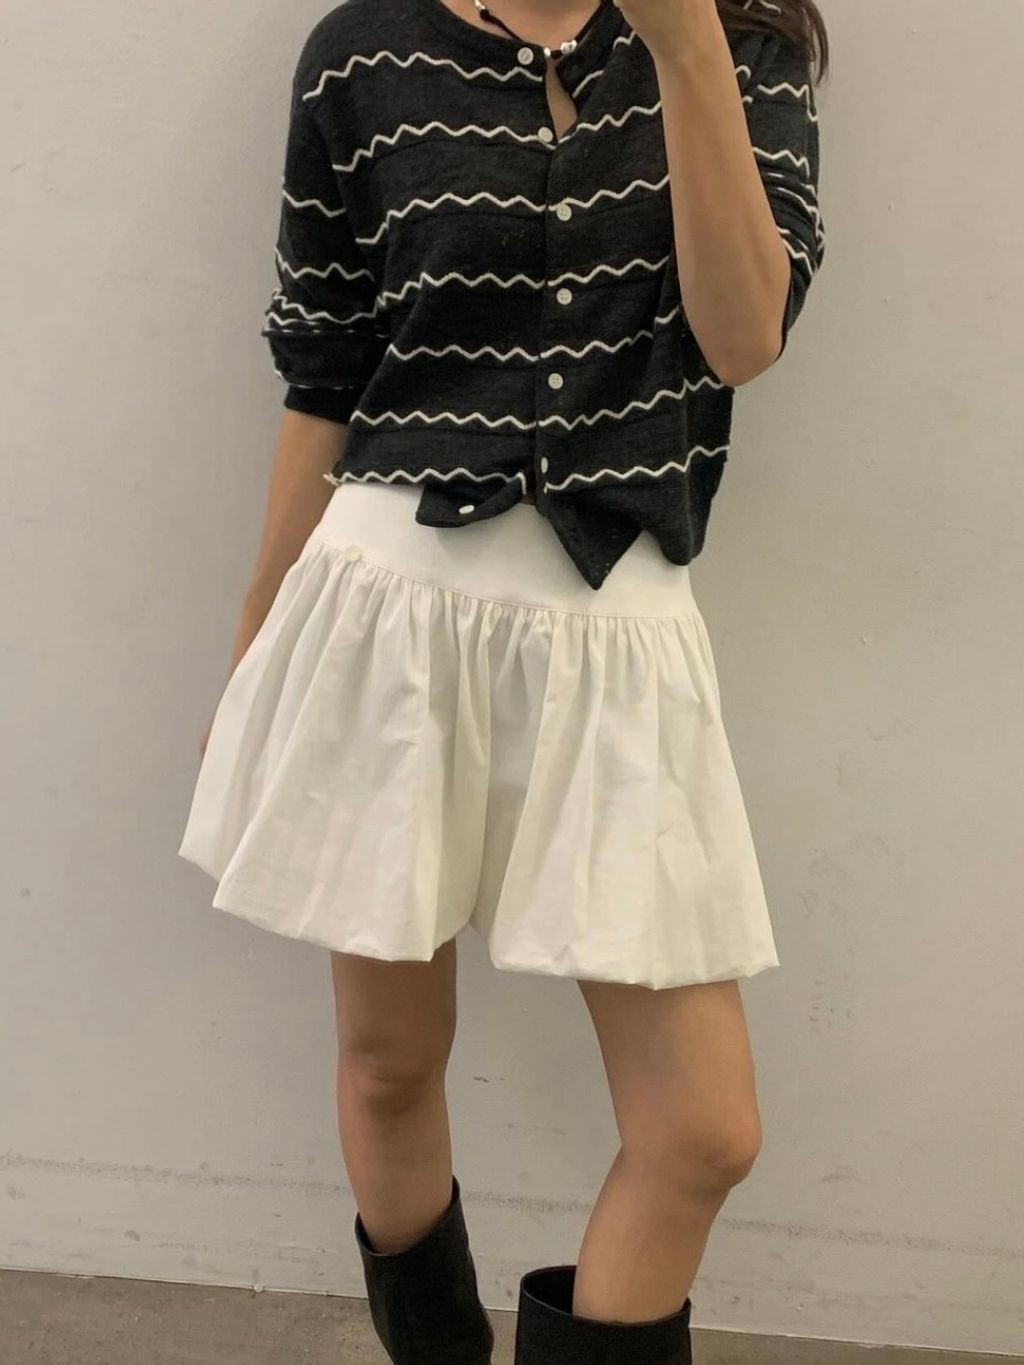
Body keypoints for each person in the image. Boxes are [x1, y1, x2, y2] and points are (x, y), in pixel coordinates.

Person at [178, 0, 828, 1359]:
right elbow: (326, 371)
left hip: (615, 636)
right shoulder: (363, 53)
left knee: (702, 1130)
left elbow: (743, 338)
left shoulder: (744, 43)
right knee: (390, 1063)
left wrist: (687, 49)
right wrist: (254, 642)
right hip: (386, 615)